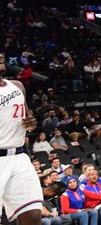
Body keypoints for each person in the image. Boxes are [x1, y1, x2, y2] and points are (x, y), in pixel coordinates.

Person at [0, 50, 43, 225]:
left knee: (33, 216)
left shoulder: (17, 86)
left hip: (18, 157)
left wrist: (31, 123)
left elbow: (27, 117)